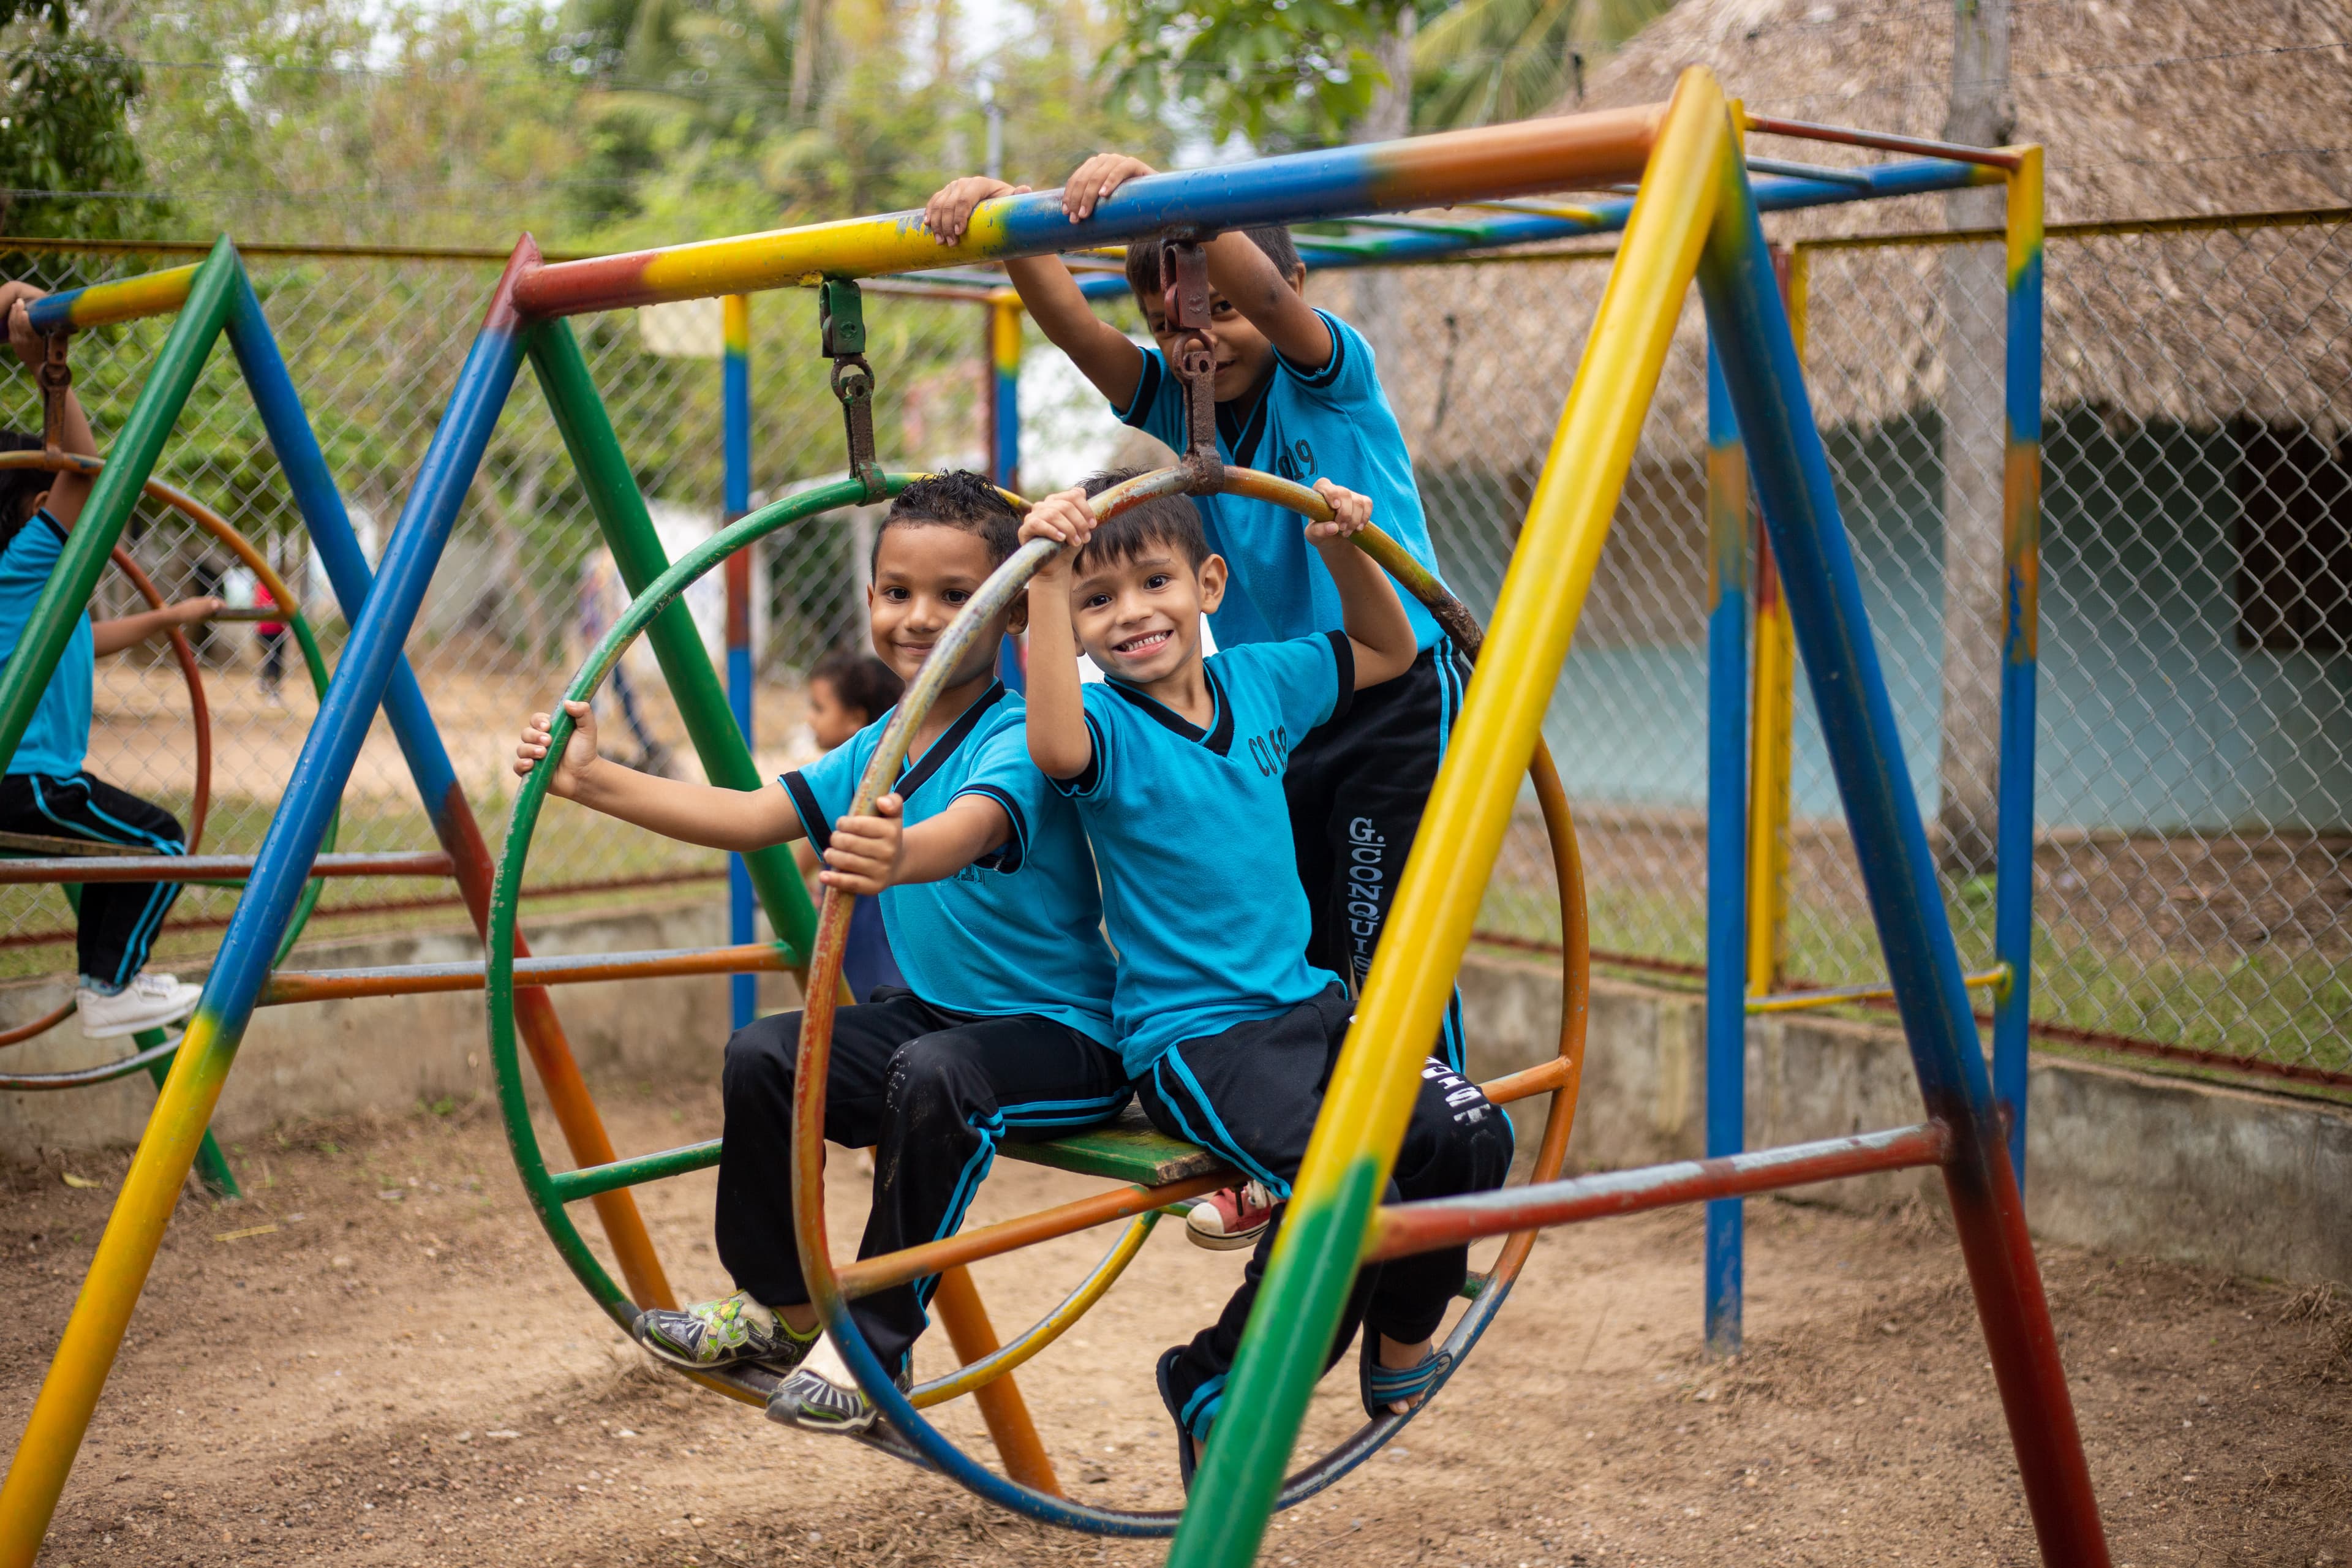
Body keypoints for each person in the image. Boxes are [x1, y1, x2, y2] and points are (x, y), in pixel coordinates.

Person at [928, 159, 1474, 1253]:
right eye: (1173, 320)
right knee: (1292, 938)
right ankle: (1279, 1153)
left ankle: (1423, 1143)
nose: (1203, 336)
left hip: (1392, 688)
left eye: (1217, 309)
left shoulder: (1330, 377)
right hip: (1284, 701)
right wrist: (1009, 223)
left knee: (1378, 938)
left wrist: (1176, 204)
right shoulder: (1190, 403)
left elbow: (1269, 303)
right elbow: (1079, 336)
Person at [514, 470, 1122, 1436]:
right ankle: (784, 1308)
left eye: (956, 596)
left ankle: (875, 1341)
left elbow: (968, 830)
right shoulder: (884, 738)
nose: (920, 618)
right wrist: (593, 781)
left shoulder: (1020, 735)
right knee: (765, 1055)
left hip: (1065, 1036)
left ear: (1011, 613)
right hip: (941, 1018)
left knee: (935, 1074)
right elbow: (756, 814)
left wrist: (900, 854)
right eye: (897, 592)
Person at [1014, 473, 1512, 1485]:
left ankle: (1402, 1342)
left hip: (1312, 1010)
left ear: (1209, 583)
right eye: (1095, 601)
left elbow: (1389, 650)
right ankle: (1216, 1380)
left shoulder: (1264, 683)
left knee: (1470, 1132)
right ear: (1072, 629)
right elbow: (1055, 743)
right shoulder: (1105, 734)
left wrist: (1343, 552)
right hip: (1202, 1040)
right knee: (1340, 1202)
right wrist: (1042, 579)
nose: (1130, 614)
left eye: (1153, 581)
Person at [0, 282, 222, 1038]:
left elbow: (78, 646)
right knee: (158, 838)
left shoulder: (25, 604)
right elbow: (92, 476)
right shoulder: (27, 562)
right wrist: (48, 373)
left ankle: (108, 980)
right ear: (36, 510)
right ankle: (110, 987)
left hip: (21, 782)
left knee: (119, 844)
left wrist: (171, 617)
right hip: (25, 781)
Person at [796, 644, 907, 1003]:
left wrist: (795, 876)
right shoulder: (885, 772)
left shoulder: (855, 777)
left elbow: (822, 835)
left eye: (819, 708)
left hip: (868, 928)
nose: (810, 719)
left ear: (855, 720)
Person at [252, 579, 286, 701]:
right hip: (273, 629)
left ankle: (265, 685)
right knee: (274, 662)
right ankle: (272, 691)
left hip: (270, 630)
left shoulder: (260, 587)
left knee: (270, 660)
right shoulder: (276, 586)